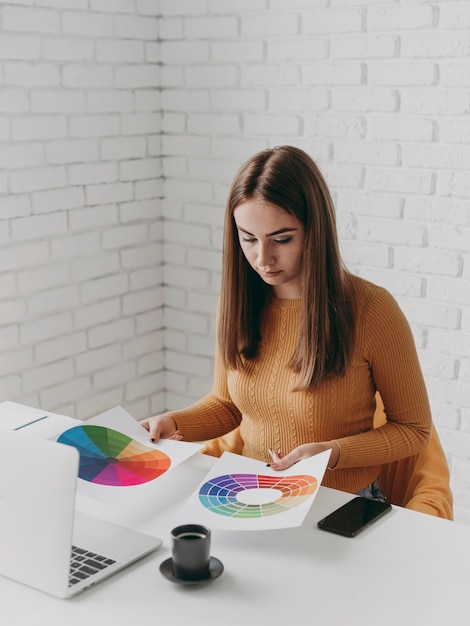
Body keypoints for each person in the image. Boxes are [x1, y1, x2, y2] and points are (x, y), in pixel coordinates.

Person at [141, 145, 433, 498]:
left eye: (282, 239)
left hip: (340, 503)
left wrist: (332, 453)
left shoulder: (372, 309)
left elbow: (414, 430)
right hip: (254, 495)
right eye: (248, 239)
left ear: (315, 230)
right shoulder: (237, 305)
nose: (263, 258)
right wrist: (173, 423)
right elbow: (227, 405)